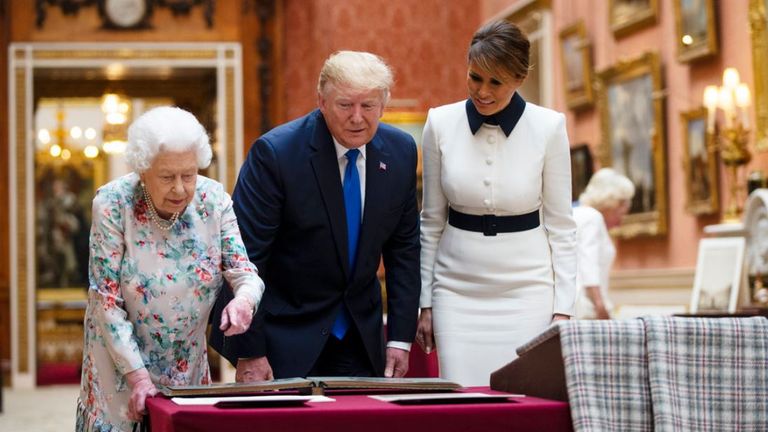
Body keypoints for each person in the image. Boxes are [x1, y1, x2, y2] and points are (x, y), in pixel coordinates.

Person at [210, 51, 421, 380]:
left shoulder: (401, 152)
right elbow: (243, 256)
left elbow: (404, 251)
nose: (357, 118)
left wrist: (399, 339)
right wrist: (251, 351)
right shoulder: (276, 154)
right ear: (322, 101)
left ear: (383, 104)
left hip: (360, 339)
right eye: (345, 105)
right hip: (284, 337)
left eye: (368, 106)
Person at [76, 106, 264, 432]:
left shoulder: (213, 201)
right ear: (142, 169)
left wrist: (244, 300)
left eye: (188, 175)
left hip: (185, 368)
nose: (180, 188)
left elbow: (244, 271)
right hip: (120, 368)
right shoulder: (113, 204)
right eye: (167, 177)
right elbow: (105, 300)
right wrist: (137, 377)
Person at [415, 20, 577, 386]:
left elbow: (562, 226)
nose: (482, 92)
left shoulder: (549, 127)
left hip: (527, 291)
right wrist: (426, 301)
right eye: (475, 78)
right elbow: (431, 222)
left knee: (520, 397)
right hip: (456, 292)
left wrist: (563, 309)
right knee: (460, 400)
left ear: (519, 79)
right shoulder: (439, 123)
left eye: (495, 82)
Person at [573, 168, 635, 319]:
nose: (620, 222)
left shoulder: (576, 213)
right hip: (586, 306)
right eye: (621, 214)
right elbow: (589, 264)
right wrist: (600, 305)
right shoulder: (592, 218)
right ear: (612, 203)